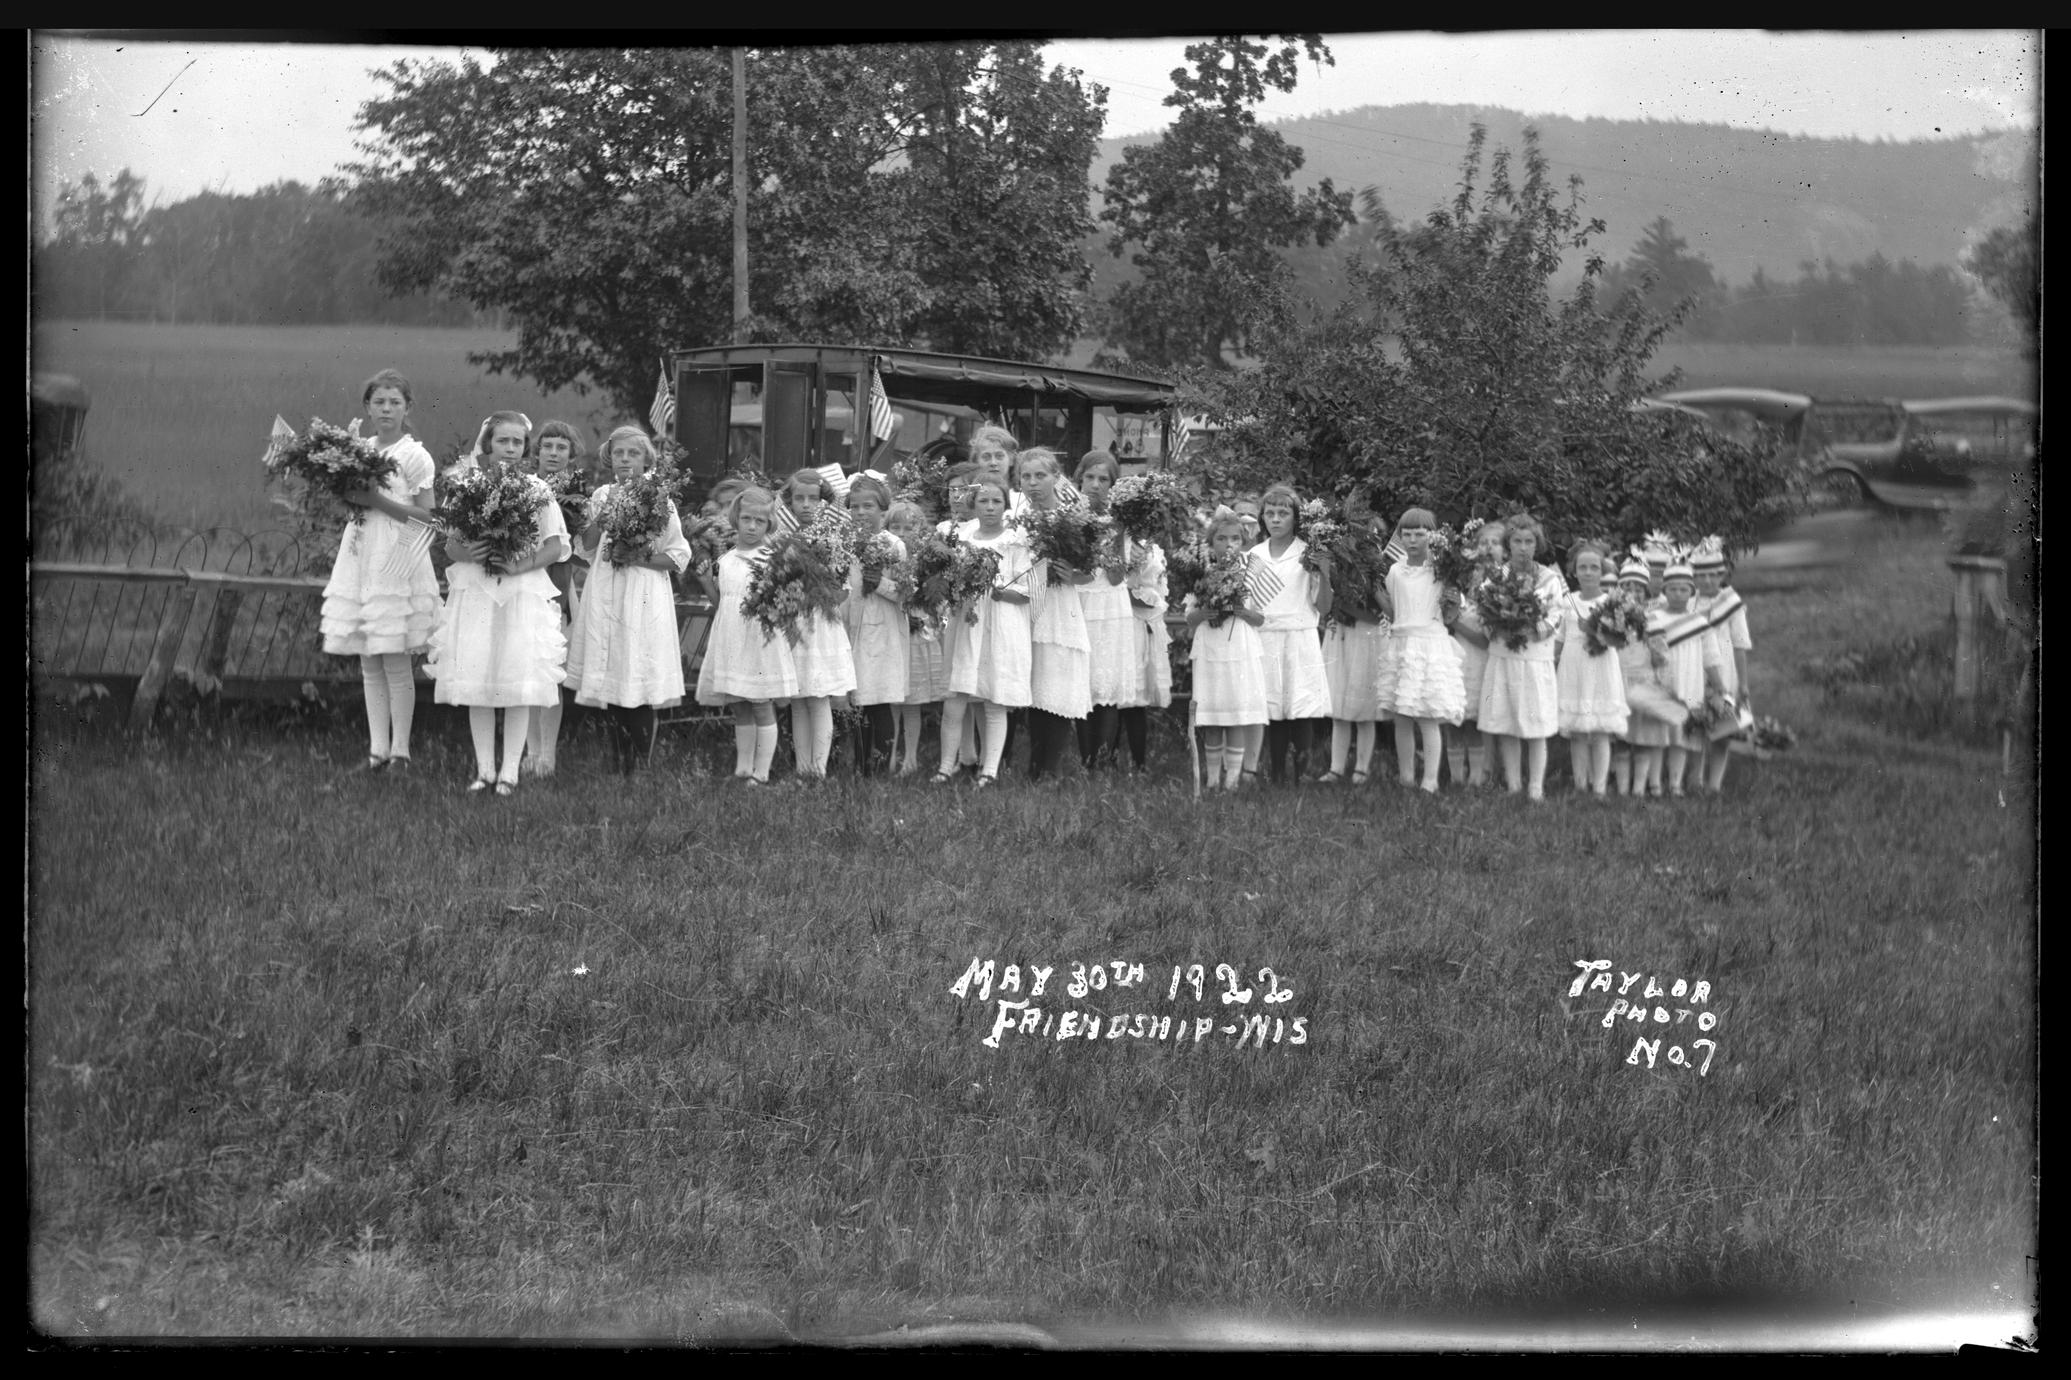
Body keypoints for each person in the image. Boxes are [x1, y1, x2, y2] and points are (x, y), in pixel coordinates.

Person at [428, 411, 570, 795]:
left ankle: (510, 772)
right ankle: (484, 770)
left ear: (525, 448)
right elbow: (451, 544)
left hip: (520, 592)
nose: (509, 448)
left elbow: (556, 546)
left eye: (517, 442)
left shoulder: (536, 489)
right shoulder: (468, 486)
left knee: (516, 679)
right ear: (488, 443)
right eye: (502, 440)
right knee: (479, 678)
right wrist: (470, 552)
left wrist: (519, 565)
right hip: (477, 590)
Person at [324, 367, 441, 773]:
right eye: (379, 402)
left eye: (395, 402)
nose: (387, 409)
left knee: (393, 657)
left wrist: (378, 500)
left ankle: (401, 752)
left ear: (407, 408)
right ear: (367, 408)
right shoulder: (358, 450)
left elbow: (429, 517)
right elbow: (352, 501)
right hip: (360, 552)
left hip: (398, 554)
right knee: (369, 659)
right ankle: (377, 750)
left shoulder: (414, 455)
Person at [565, 426, 690, 774]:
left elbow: (678, 555)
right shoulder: (602, 495)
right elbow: (586, 547)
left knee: (636, 669)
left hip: (642, 592)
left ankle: (640, 766)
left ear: (646, 459)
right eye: (618, 453)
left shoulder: (659, 498)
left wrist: (638, 557)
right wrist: (602, 516)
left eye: (632, 454)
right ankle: (618, 761)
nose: (624, 459)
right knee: (613, 671)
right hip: (606, 589)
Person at [694, 485, 798, 785]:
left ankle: (761, 773)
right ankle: (742, 768)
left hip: (758, 643)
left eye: (759, 521)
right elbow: (723, 603)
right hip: (732, 640)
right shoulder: (727, 559)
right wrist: (706, 582)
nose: (752, 526)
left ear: (769, 524)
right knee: (739, 704)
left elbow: (785, 603)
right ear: (736, 519)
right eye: (746, 519)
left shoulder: (772, 558)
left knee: (761, 704)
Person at [1074, 449, 1170, 771]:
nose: (1095, 485)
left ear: (1113, 485)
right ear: (1080, 479)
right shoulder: (1069, 516)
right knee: (1082, 684)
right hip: (1078, 603)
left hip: (1109, 605)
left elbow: (1116, 576)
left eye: (1103, 479)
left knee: (1106, 685)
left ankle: (1103, 762)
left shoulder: (1122, 523)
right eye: (1090, 477)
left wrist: (1114, 533)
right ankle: (1086, 761)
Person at [935, 473, 1031, 786]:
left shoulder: (1015, 541)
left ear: (1005, 505)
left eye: (996, 501)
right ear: (973, 503)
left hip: (1000, 625)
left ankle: (989, 770)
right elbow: (946, 579)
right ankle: (945, 766)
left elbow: (1027, 590)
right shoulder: (962, 538)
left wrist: (1001, 591)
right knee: (955, 700)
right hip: (966, 623)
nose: (990, 507)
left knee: (994, 700)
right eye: (983, 500)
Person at [1245, 483, 1334, 783]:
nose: (1276, 519)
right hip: (1266, 637)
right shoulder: (1254, 555)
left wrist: (1325, 572)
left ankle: (1302, 774)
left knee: (1301, 704)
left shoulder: (1308, 554)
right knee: (1273, 706)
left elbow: (1323, 605)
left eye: (1283, 513)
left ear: (1296, 518)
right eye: (1270, 513)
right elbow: (1249, 603)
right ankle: (1277, 775)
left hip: (1299, 636)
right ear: (1262, 517)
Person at [1374, 507, 1467, 792]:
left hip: (1429, 645)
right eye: (1407, 534)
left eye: (1419, 534)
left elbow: (1450, 613)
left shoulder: (1441, 570)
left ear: (1432, 536)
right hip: (1402, 644)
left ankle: (1430, 780)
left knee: (1427, 715)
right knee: (1402, 715)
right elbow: (1394, 610)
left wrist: (1453, 600)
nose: (1412, 540)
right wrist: (1375, 592)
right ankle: (1406, 777)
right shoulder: (1395, 571)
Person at [1476, 512, 1566, 801]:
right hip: (1504, 655)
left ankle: (1536, 787)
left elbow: (1557, 614)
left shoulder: (1549, 578)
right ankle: (1514, 784)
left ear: (1537, 545)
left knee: (1536, 724)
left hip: (1535, 658)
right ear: (1509, 544)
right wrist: (1500, 625)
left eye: (1529, 542)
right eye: (1517, 541)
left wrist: (1532, 629)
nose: (1523, 548)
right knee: (1507, 721)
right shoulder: (1496, 577)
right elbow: (1483, 613)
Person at [1020, 447, 1093, 781]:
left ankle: (1051, 768)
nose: (1033, 483)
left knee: (1057, 684)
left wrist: (1071, 574)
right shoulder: (1018, 520)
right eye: (1026, 476)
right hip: (1025, 604)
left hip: (1059, 607)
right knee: (1034, 686)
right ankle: (1034, 765)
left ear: (1055, 477)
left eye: (1040, 475)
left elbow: (1091, 571)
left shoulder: (1072, 519)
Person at [523, 419, 590, 776]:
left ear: (571, 454)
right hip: (523, 581)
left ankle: (547, 755)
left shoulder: (576, 497)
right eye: (547, 446)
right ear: (536, 451)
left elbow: (577, 549)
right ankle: (529, 751)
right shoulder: (522, 487)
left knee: (549, 673)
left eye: (561, 447)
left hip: (558, 585)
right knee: (523, 670)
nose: (553, 453)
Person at [782, 467, 858, 780]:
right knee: (799, 699)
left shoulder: (832, 539)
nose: (806, 505)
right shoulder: (784, 539)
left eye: (813, 499)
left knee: (818, 696)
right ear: (789, 503)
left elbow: (842, 591)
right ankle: (803, 767)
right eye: (799, 498)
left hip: (821, 623)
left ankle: (819, 768)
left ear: (824, 502)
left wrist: (819, 589)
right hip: (793, 622)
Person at [1187, 509, 1268, 792]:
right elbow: (1190, 617)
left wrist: (1242, 611)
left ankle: (1232, 780)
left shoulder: (1251, 575)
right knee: (1213, 717)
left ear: (1243, 542)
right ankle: (1212, 779)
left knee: (1236, 715)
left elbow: (1261, 618)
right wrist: (1205, 613)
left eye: (1235, 539)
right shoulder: (1201, 572)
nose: (1229, 544)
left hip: (1240, 648)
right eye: (1222, 538)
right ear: (1212, 542)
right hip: (1211, 646)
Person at [1318, 501, 1389, 785]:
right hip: (1339, 636)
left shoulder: (1378, 570)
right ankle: (1336, 768)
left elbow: (1379, 614)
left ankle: (1361, 768)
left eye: (1372, 536)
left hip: (1366, 638)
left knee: (1364, 709)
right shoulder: (1340, 564)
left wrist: (1345, 606)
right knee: (1339, 708)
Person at [843, 475, 910, 776]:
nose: (860, 512)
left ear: (883, 509)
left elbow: (906, 594)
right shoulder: (845, 544)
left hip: (883, 631)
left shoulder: (893, 545)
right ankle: (861, 766)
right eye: (855, 506)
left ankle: (881, 767)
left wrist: (880, 583)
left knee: (879, 699)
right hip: (855, 627)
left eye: (868, 506)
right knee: (859, 700)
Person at [1554, 539, 1631, 797]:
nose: (1588, 572)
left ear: (1602, 571)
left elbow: (1621, 640)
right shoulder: (1567, 601)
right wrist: (1552, 662)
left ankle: (1599, 787)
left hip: (1600, 668)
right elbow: (1560, 637)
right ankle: (1580, 783)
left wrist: (1600, 634)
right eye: (1582, 567)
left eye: (1594, 567)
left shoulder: (1611, 602)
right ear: (1574, 571)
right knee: (1577, 731)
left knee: (1599, 731)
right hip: (1573, 667)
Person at [1654, 557, 1725, 798]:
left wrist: (1719, 686)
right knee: (1659, 735)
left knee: (1682, 737)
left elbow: (1711, 656)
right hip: (1662, 682)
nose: (1678, 594)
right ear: (1664, 591)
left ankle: (1675, 784)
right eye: (1672, 589)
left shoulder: (1699, 622)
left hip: (1690, 684)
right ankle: (1655, 782)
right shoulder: (1654, 618)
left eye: (1683, 589)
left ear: (1691, 592)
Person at [1443, 517, 1505, 788]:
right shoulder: (1464, 580)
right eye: (1483, 542)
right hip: (1457, 656)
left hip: (1482, 660)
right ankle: (1457, 777)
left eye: (1495, 543)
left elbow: (1487, 640)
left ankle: (1481, 774)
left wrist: (1455, 623)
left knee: (1477, 718)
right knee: (1455, 717)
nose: (1488, 547)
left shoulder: (1503, 586)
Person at [1610, 557, 1679, 798]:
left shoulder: (1651, 618)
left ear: (1646, 591)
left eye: (1638, 588)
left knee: (1643, 738)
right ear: (1619, 590)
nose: (1633, 593)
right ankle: (1622, 787)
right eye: (1627, 587)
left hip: (1644, 681)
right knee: (1621, 737)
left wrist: (1660, 665)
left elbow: (1661, 654)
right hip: (1618, 680)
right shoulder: (1612, 617)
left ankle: (1639, 788)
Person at [888, 498, 946, 776]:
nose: (901, 533)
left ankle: (910, 758)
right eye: (895, 527)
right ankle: (889, 756)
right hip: (892, 634)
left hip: (916, 633)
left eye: (908, 528)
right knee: (891, 703)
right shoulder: (886, 555)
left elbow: (935, 600)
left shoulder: (926, 560)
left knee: (911, 703)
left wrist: (921, 618)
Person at [1692, 537, 1753, 794]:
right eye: (1701, 576)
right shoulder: (1689, 602)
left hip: (1725, 668)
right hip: (1695, 668)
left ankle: (1714, 783)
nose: (1707, 581)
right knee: (1696, 726)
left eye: (1712, 575)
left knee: (1722, 728)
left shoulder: (1730, 602)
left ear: (1721, 575)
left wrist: (1743, 683)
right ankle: (1694, 780)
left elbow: (1740, 643)